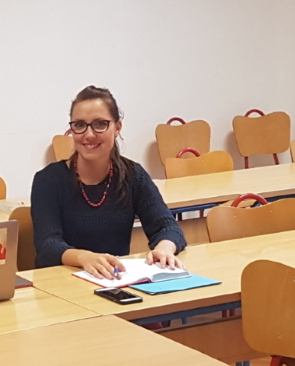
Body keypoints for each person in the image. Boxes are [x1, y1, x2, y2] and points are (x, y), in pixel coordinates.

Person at [31, 86, 187, 279]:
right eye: (79, 125)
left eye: (100, 124)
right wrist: (83, 258)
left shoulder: (133, 175)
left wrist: (164, 249)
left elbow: (167, 227)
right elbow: (47, 245)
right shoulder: (48, 180)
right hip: (62, 283)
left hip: (114, 281)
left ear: (117, 127)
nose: (89, 134)